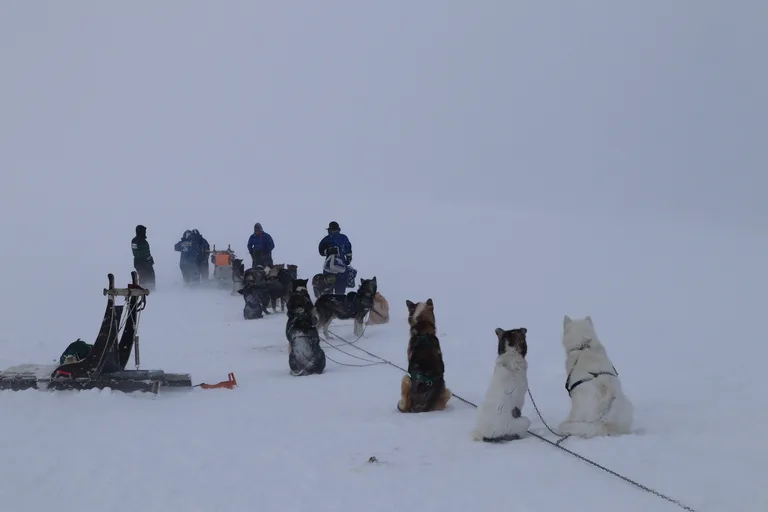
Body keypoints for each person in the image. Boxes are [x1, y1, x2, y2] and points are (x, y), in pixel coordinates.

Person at [318, 221, 353, 295]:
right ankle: (339, 303)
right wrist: (348, 260)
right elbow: (348, 250)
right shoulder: (344, 238)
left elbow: (321, 252)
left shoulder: (326, 239)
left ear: (329, 229)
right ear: (338, 229)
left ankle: (328, 303)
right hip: (341, 268)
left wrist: (327, 251)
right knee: (340, 293)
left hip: (329, 268)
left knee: (327, 292)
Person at [131, 225, 155, 290]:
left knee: (142, 276)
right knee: (149, 276)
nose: (145, 232)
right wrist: (149, 259)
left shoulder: (134, 240)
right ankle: (149, 291)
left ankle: (144, 291)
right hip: (144, 263)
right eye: (144, 231)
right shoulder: (141, 241)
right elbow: (143, 253)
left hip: (137, 262)